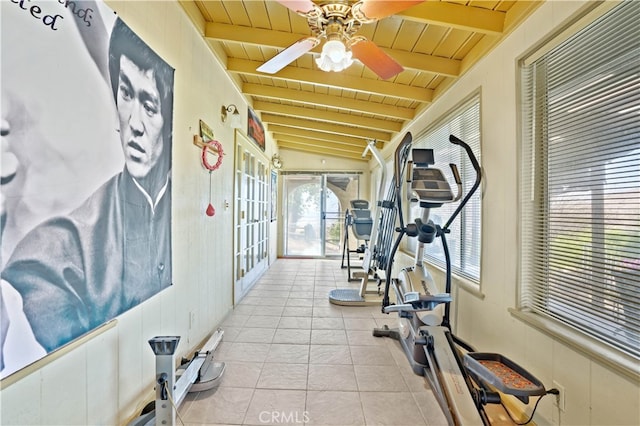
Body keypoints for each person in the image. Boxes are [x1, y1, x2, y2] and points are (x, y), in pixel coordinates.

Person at [1, 18, 174, 354]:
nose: (133, 124)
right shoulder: (52, 260)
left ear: (170, 127)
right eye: (125, 93)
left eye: (150, 105)